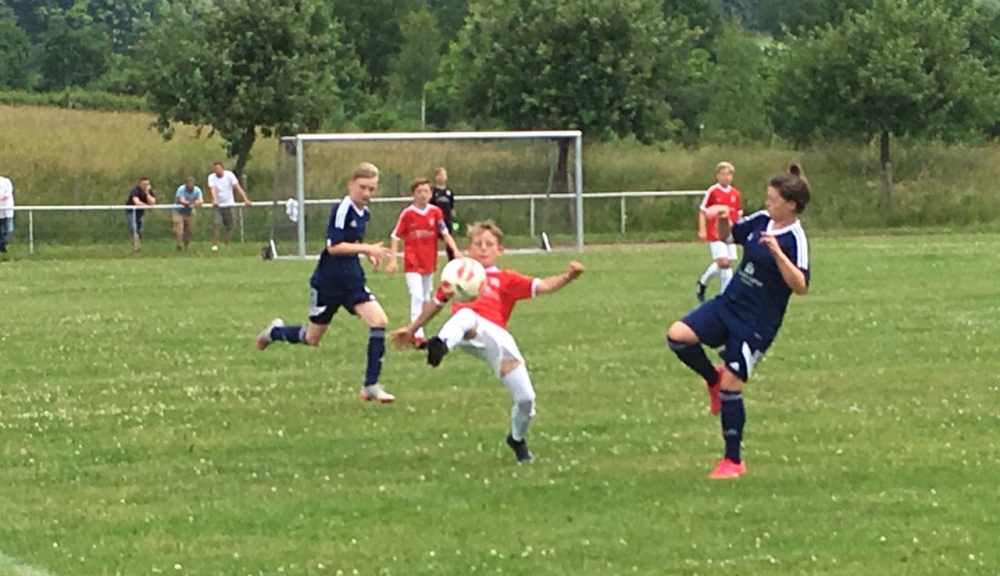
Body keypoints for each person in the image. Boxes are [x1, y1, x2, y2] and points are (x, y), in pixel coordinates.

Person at [391, 220, 585, 464]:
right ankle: (440, 344)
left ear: (499, 250)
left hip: (495, 339)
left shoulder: (506, 279)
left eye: (489, 244)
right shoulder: (458, 274)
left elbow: (543, 285)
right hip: (464, 331)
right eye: (477, 244)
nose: (483, 248)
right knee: (465, 315)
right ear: (469, 248)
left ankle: (517, 439)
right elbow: (436, 303)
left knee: (526, 400)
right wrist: (412, 329)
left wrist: (568, 276)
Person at [666, 165, 811, 480]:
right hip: (728, 303)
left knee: (733, 386)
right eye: (768, 197)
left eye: (773, 199)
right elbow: (728, 236)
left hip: (756, 322)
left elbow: (800, 286)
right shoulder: (761, 220)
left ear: (791, 205)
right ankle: (712, 379)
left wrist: (778, 254)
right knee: (678, 336)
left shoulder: (795, 238)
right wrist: (721, 219)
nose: (768, 203)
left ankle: (733, 461)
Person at [255, 162, 396, 403]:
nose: (367, 193)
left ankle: (371, 385)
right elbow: (334, 247)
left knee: (379, 321)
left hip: (352, 282)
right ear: (351, 184)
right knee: (312, 338)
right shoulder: (342, 209)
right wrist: (366, 248)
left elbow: (353, 243)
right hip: (328, 283)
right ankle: (275, 332)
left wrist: (367, 253)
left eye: (372, 189)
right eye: (363, 187)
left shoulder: (364, 213)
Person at [385, 178, 461, 347]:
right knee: (417, 295)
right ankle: (416, 334)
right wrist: (393, 260)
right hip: (412, 263)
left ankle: (418, 329)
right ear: (413, 195)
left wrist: (455, 250)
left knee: (427, 298)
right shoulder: (408, 214)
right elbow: (395, 236)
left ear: (431, 194)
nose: (423, 195)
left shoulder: (435, 212)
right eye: (419, 191)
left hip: (429, 261)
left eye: (426, 191)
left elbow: (445, 233)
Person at [696, 162, 743, 303]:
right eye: (722, 174)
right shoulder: (713, 191)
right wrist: (702, 229)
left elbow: (738, 214)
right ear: (717, 176)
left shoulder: (735, 193)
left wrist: (740, 231)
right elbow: (703, 211)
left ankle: (702, 282)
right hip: (715, 232)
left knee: (725, 264)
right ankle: (725, 296)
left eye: (728, 174)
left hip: (731, 232)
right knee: (724, 262)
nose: (725, 177)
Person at [207, 162, 251, 251]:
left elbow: (237, 187)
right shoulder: (211, 177)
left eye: (219, 169)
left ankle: (226, 244)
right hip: (218, 205)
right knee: (216, 223)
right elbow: (213, 189)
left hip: (229, 204)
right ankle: (215, 245)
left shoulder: (229, 175)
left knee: (229, 225)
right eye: (215, 169)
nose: (217, 171)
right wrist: (215, 199)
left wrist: (245, 199)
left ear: (223, 169)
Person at [431, 167, 458, 260]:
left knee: (449, 239)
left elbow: (451, 206)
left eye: (445, 175)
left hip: (447, 220)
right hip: (436, 220)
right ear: (436, 177)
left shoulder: (449, 192)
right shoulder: (433, 192)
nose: (444, 177)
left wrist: (452, 217)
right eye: (441, 175)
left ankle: (452, 259)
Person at [125, 177, 157, 251]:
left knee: (140, 228)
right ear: (140, 184)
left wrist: (147, 193)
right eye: (143, 184)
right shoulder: (135, 190)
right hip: (131, 211)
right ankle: (136, 245)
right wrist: (146, 206)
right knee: (133, 227)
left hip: (140, 212)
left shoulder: (149, 191)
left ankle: (136, 241)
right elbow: (137, 202)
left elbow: (152, 202)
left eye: (147, 184)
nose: (145, 186)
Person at [173, 177, 204, 250]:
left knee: (189, 230)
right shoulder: (181, 189)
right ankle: (179, 245)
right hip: (178, 211)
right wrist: (193, 202)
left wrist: (195, 203)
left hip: (189, 212)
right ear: (186, 185)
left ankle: (186, 245)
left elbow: (201, 201)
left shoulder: (197, 190)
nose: (190, 188)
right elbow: (182, 201)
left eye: (192, 186)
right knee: (179, 229)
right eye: (189, 186)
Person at [0, 175, 13, 253]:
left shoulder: (6, 181)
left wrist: (2, 197)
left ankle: (2, 244)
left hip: (7, 210)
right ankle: (2, 247)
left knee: (9, 230)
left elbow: (8, 193)